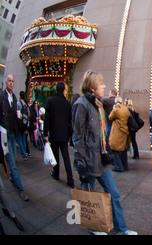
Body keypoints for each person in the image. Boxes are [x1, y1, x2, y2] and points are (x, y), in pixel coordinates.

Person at [72, 69, 137, 235]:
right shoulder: (81, 105)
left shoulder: (98, 104)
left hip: (101, 159)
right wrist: (81, 163)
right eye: (101, 83)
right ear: (92, 87)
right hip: (88, 160)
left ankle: (121, 229)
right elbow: (78, 136)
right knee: (89, 197)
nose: (104, 86)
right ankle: (93, 228)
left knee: (114, 194)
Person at [0, 75, 28, 202]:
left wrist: (19, 119)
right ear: (6, 83)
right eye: (9, 81)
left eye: (12, 81)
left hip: (12, 134)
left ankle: (11, 176)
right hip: (5, 133)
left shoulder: (14, 97)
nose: (11, 83)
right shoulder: (1, 96)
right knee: (12, 163)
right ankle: (20, 190)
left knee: (12, 161)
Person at [44, 81, 74, 188]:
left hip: (54, 133)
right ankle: (70, 179)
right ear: (64, 90)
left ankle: (56, 174)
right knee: (66, 157)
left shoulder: (50, 101)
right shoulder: (67, 104)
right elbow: (70, 121)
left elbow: (47, 118)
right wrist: (69, 134)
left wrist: (45, 133)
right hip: (64, 134)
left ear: (56, 89)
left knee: (55, 155)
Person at [108, 97, 130, 172]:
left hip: (117, 132)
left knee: (114, 148)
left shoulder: (116, 109)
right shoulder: (125, 109)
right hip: (125, 131)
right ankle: (125, 165)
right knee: (123, 149)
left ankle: (118, 166)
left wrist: (113, 109)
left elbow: (110, 117)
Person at [16, 91, 29, 159]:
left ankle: (23, 154)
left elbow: (17, 114)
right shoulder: (25, 104)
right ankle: (24, 153)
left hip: (19, 123)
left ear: (20, 96)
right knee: (23, 138)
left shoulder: (18, 103)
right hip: (25, 123)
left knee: (18, 139)